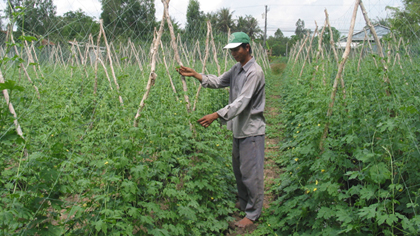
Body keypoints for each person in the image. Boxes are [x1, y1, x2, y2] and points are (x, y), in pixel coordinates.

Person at [177, 32, 265, 228]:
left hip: (252, 130)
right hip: (238, 129)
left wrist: (216, 115)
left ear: (247, 48)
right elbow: (218, 81)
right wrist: (195, 74)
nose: (233, 53)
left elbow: (242, 102)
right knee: (239, 170)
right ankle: (245, 204)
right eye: (231, 50)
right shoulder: (237, 69)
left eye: (236, 49)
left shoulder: (255, 72)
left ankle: (252, 214)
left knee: (252, 174)